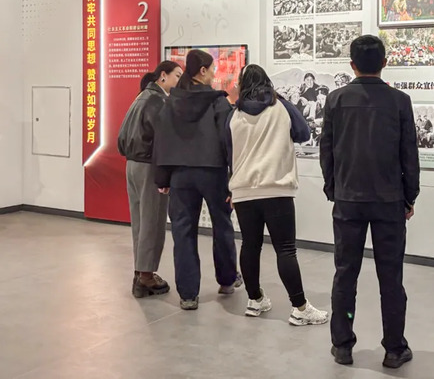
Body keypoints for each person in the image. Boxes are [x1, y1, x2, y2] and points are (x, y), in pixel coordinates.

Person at [320, 35, 420, 369]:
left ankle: (342, 344)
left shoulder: (335, 100)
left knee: (345, 273)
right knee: (391, 277)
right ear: (384, 63)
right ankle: (394, 348)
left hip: (348, 198)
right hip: (389, 200)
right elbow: (409, 154)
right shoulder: (400, 101)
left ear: (352, 65)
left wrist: (333, 189)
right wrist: (410, 196)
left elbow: (326, 150)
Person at [226, 64, 329, 325]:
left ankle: (255, 300)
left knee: (250, 246)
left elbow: (227, 152)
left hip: (243, 190)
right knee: (285, 249)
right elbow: (304, 133)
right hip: (277, 188)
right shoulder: (281, 106)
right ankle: (300, 308)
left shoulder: (234, 114)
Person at [153, 49, 241, 311]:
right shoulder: (218, 103)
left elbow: (162, 140)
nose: (214, 74)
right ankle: (227, 280)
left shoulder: (171, 102)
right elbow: (228, 142)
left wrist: (162, 177)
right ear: (202, 71)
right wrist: (234, 179)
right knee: (222, 226)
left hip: (180, 175)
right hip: (213, 173)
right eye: (212, 69)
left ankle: (188, 294)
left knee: (183, 232)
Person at [118, 61, 183, 298]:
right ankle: (146, 276)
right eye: (177, 76)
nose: (179, 81)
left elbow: (122, 136)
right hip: (148, 167)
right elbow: (163, 140)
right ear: (163, 75)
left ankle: (140, 272)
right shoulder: (158, 101)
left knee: (139, 221)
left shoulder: (141, 97)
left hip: (132, 165)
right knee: (152, 222)